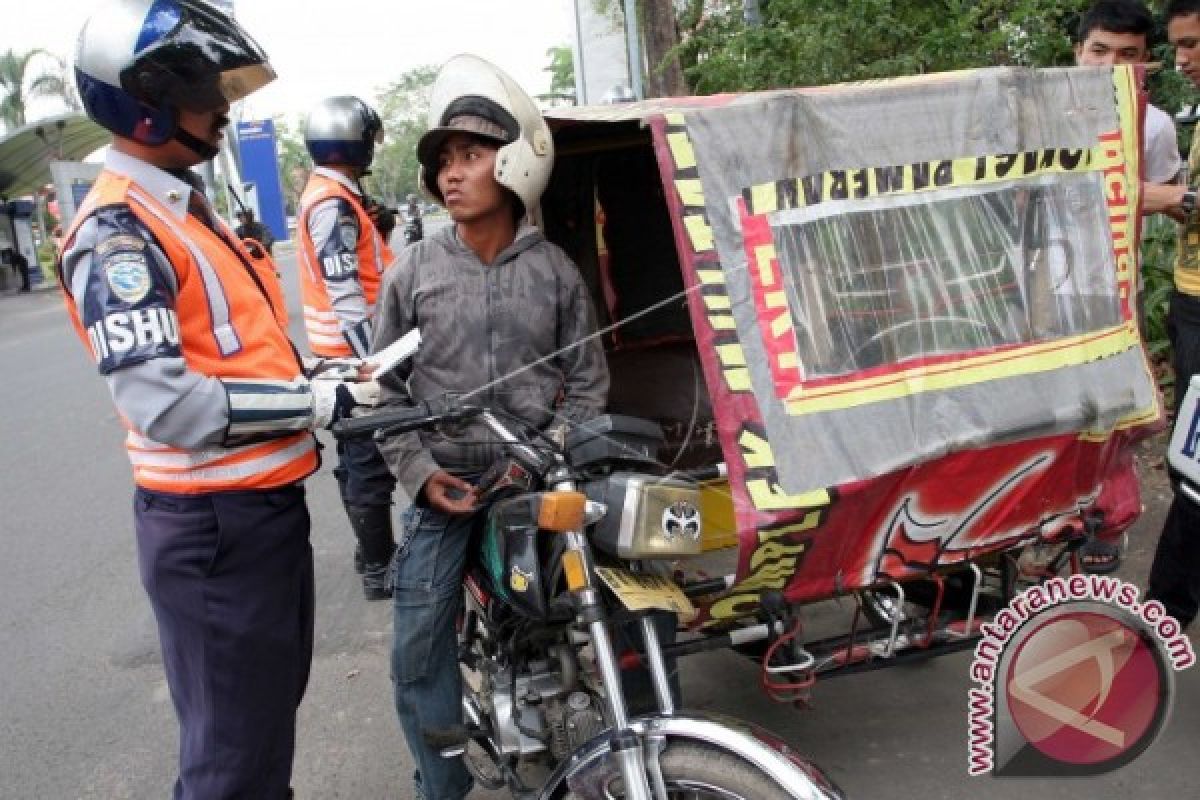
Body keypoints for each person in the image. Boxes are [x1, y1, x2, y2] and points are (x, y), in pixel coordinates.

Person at [61, 2, 378, 796]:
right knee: (231, 765)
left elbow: (239, 351)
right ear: (147, 98)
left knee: (259, 739)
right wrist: (316, 407)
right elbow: (167, 408)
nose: (224, 104)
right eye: (204, 86)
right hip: (215, 530)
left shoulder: (181, 210)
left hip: (253, 517)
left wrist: (315, 381)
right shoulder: (119, 235)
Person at [372, 54, 609, 800]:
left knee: (632, 598)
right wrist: (418, 472)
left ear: (511, 167)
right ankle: (440, 786)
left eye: (470, 156)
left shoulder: (556, 272)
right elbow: (382, 387)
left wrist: (557, 450)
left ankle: (624, 747)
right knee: (416, 646)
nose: (452, 173)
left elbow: (591, 383)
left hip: (540, 482)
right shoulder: (412, 271)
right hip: (448, 486)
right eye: (444, 160)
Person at [1072, 0, 1184, 573]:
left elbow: (1170, 201)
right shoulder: (1026, 114)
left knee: (1113, 410)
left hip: (1116, 288)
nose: (1111, 65)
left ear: (1146, 63)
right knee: (1040, 413)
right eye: (1100, 51)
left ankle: (1104, 521)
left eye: (1129, 56)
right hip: (1034, 290)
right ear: (1078, 51)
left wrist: (1153, 197)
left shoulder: (1157, 125)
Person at [297, 95, 398, 599]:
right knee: (367, 459)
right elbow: (346, 295)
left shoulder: (339, 198)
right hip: (349, 357)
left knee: (358, 455)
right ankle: (380, 566)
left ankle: (370, 552)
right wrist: (371, 364)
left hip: (341, 353)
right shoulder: (333, 205)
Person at [1142, 0, 1200, 629]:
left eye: (1193, 44)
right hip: (1188, 303)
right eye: (1178, 45)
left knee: (1193, 471)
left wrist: (1169, 194)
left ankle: (1162, 615)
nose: (1182, 60)